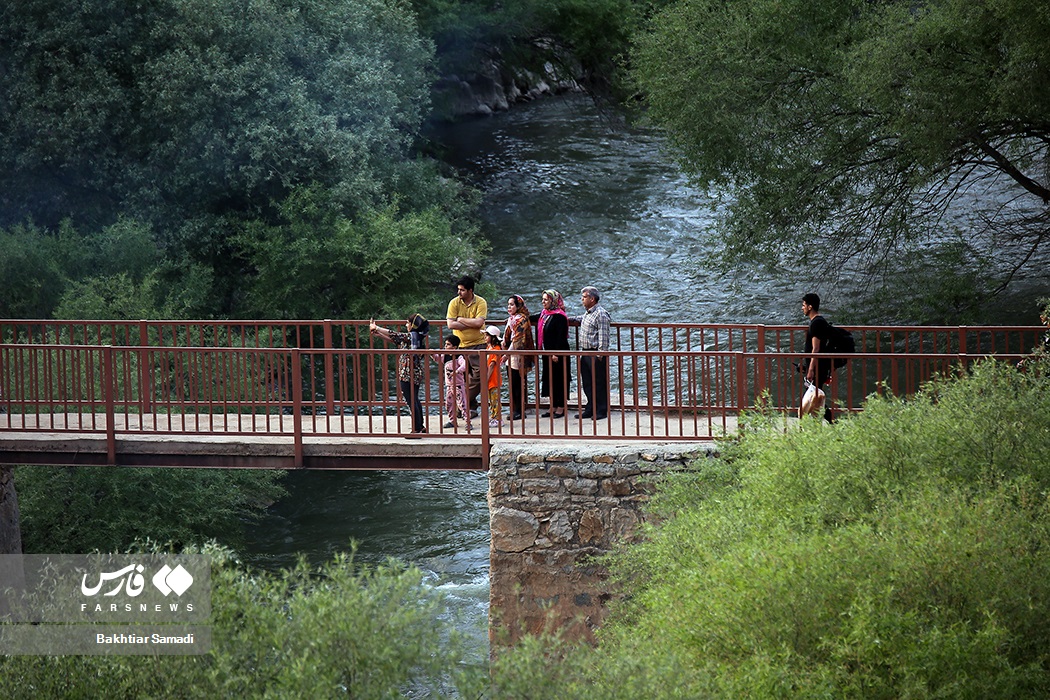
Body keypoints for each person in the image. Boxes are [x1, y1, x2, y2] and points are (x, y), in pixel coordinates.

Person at [369, 314, 429, 435]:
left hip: (408, 373)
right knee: (414, 399)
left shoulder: (412, 336)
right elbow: (396, 340)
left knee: (411, 400)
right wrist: (379, 334)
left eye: (407, 323)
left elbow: (396, 335)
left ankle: (416, 429)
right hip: (414, 372)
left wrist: (377, 327)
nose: (405, 325)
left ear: (413, 325)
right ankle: (420, 426)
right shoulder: (415, 337)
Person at [446, 275, 488, 415]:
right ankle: (469, 408)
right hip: (459, 346)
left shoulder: (480, 302)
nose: (459, 293)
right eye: (458, 290)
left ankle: (462, 403)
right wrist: (471, 323)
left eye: (462, 290)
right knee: (461, 377)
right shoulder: (454, 303)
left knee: (479, 376)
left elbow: (479, 323)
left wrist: (461, 319)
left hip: (478, 344)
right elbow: (450, 324)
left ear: (470, 290)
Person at [569, 286, 611, 420]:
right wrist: (566, 319)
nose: (582, 299)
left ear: (592, 299)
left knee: (598, 383)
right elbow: (579, 319)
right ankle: (590, 408)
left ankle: (601, 410)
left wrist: (601, 354)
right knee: (587, 382)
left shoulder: (601, 314)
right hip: (585, 353)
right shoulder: (588, 313)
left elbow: (604, 336)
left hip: (595, 353)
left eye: (584, 297)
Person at [531, 289, 570, 418]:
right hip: (547, 353)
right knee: (550, 379)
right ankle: (552, 405)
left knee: (560, 379)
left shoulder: (560, 316)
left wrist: (556, 353)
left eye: (546, 300)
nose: (543, 302)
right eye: (542, 299)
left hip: (558, 353)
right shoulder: (544, 314)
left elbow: (561, 337)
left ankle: (561, 407)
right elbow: (531, 318)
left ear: (553, 301)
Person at [800, 293, 834, 422]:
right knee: (815, 395)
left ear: (810, 306)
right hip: (819, 366)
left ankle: (832, 423)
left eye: (803, 305)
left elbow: (816, 348)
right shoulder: (817, 322)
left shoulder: (816, 323)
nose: (802, 308)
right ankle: (823, 423)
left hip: (818, 367)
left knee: (815, 395)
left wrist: (811, 369)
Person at [502, 294, 535, 421]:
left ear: (518, 306)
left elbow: (518, 340)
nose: (509, 307)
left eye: (512, 304)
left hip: (518, 355)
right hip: (511, 353)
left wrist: (505, 354)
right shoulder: (512, 318)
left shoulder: (521, 319)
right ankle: (515, 409)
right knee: (512, 382)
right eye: (508, 305)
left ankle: (519, 411)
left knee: (517, 383)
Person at [433, 335, 472, 432]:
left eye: (448, 344)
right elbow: (438, 359)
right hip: (449, 385)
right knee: (449, 404)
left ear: (455, 347)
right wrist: (432, 354)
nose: (445, 346)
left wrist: (458, 371)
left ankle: (468, 422)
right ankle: (452, 420)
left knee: (462, 404)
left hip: (458, 385)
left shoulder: (459, 356)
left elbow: (464, 364)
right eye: (445, 344)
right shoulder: (445, 356)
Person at [484, 325, 504, 427]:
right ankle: (493, 416)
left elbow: (492, 365)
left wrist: (486, 378)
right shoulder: (489, 347)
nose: (485, 337)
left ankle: (498, 418)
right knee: (491, 400)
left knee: (495, 400)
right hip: (490, 378)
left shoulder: (496, 349)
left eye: (487, 336)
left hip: (493, 378)